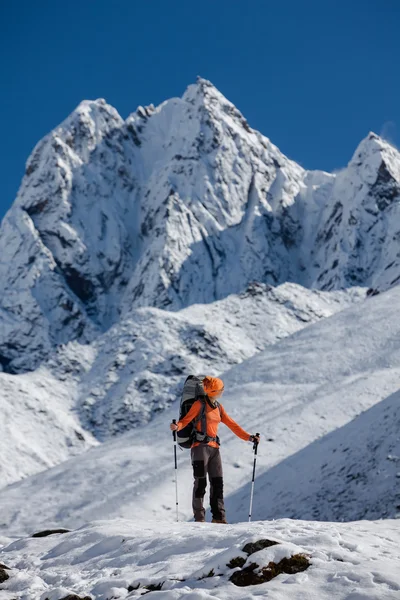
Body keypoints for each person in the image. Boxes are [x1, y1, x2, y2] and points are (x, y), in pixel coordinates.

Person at [170, 376, 260, 523]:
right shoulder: (199, 405)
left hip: (214, 449)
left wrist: (249, 438)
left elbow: (232, 425)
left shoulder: (218, 407)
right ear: (213, 391)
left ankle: (219, 518)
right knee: (201, 483)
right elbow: (185, 421)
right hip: (199, 448)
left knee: (217, 483)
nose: (223, 391)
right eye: (221, 389)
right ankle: (199, 519)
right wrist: (177, 427)